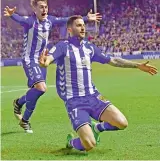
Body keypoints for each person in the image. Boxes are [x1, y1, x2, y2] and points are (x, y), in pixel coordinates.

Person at [39, 15, 158, 152]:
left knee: (122, 123)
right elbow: (49, 58)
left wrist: (136, 65)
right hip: (75, 101)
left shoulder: (89, 48)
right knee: (89, 145)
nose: (83, 27)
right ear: (69, 29)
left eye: (83, 25)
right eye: (78, 25)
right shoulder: (62, 47)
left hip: (94, 97)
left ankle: (97, 128)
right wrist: (45, 62)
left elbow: (113, 60)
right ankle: (71, 142)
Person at [3, 0, 102, 133]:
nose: (44, 9)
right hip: (30, 59)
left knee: (37, 92)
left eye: (46, 7)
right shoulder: (30, 22)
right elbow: (20, 19)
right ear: (34, 9)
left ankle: (24, 117)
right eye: (41, 7)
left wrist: (85, 18)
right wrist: (11, 15)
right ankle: (20, 105)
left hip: (42, 60)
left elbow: (65, 19)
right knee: (41, 88)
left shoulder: (50, 20)